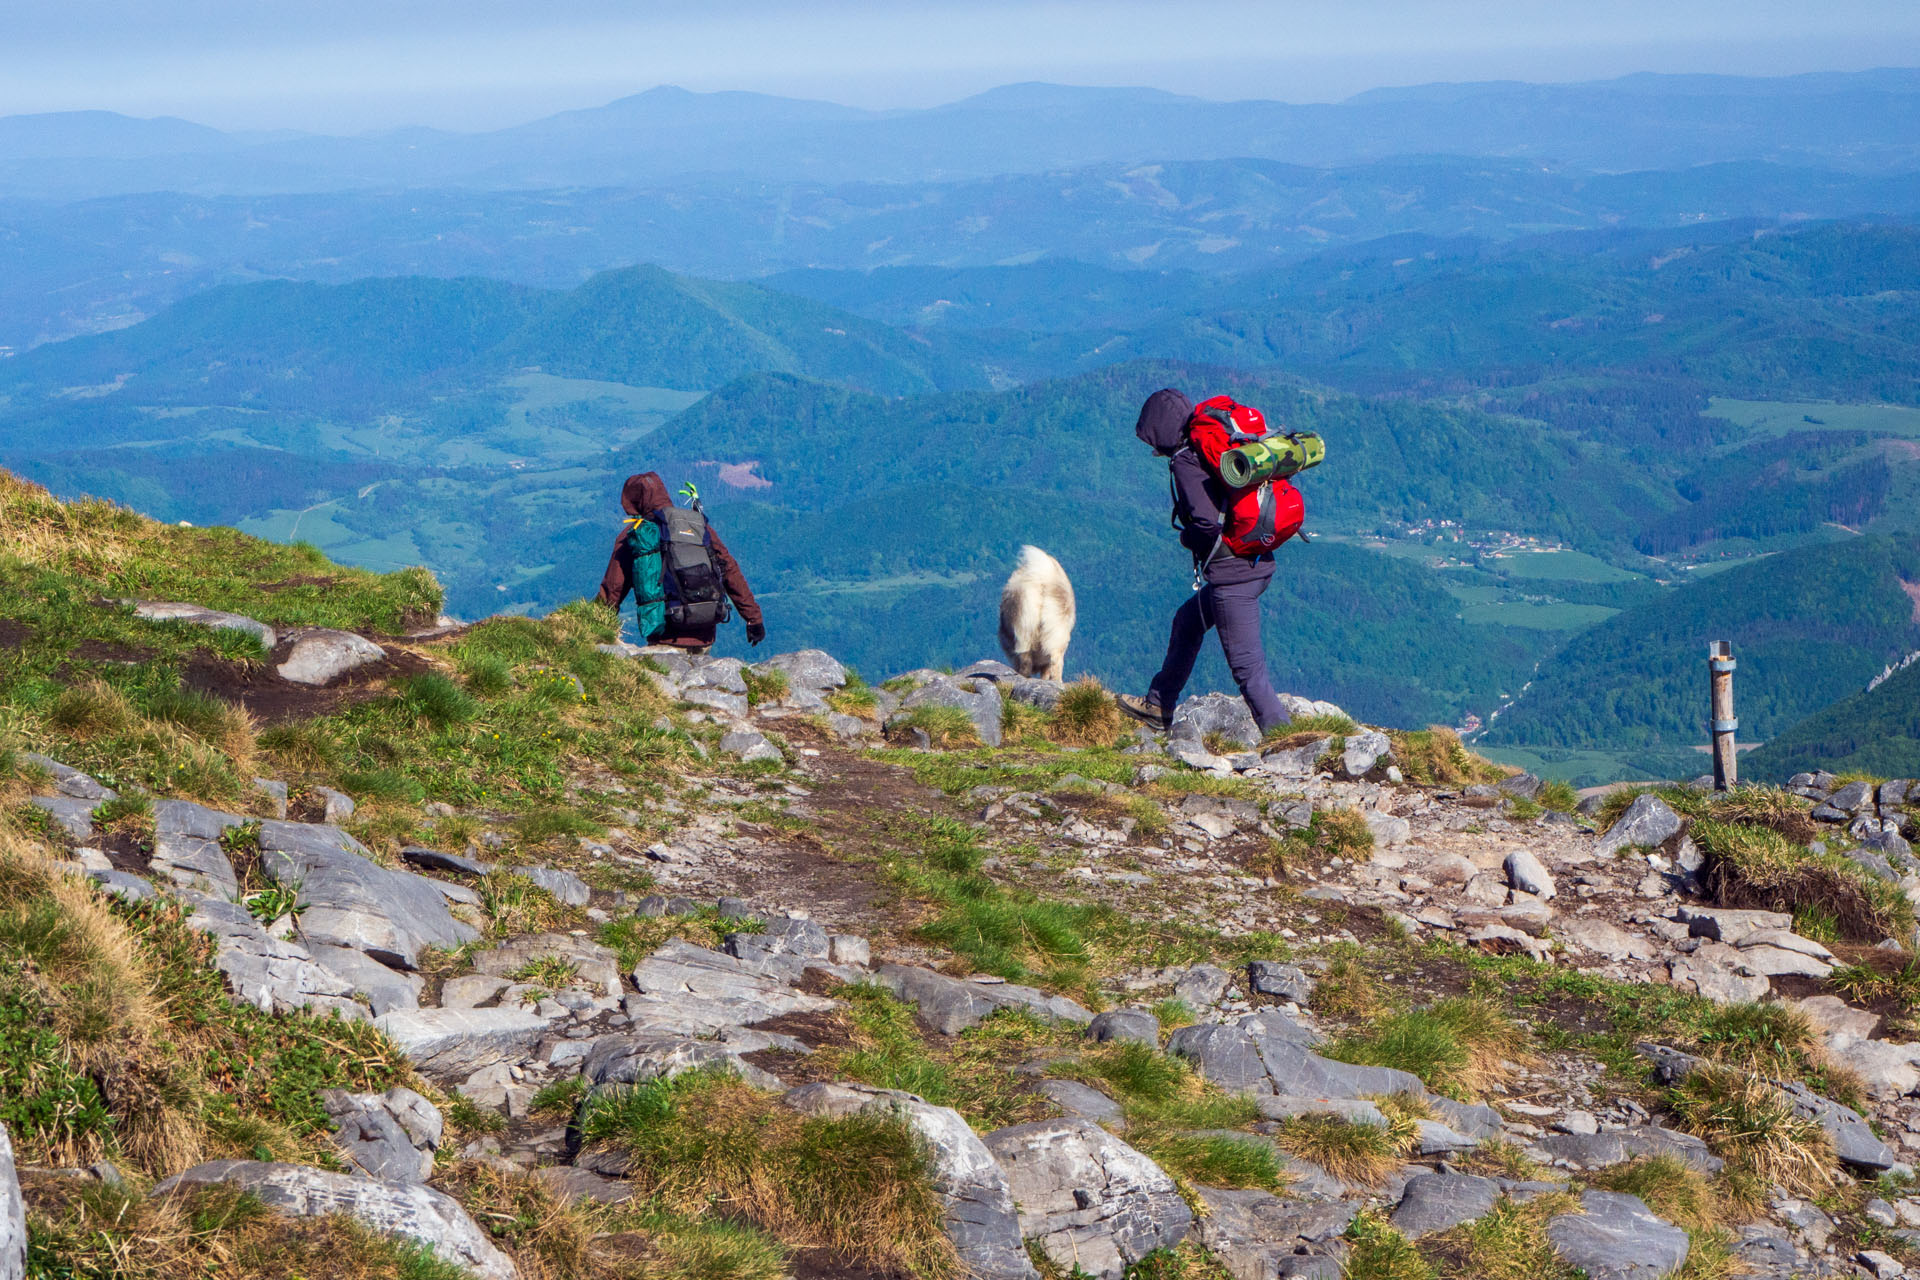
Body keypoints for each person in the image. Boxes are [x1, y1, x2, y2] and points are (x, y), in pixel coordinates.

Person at [1116, 389, 1298, 735]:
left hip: (1233, 576)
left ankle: (1290, 743)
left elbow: (1204, 521)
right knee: (1187, 621)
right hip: (1256, 561)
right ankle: (1159, 704)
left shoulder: (1186, 459)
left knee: (1248, 671)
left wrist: (1189, 540)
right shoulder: (1212, 441)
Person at [596, 471, 765, 653]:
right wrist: (753, 618)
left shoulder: (638, 535)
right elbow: (730, 570)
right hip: (705, 634)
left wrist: (590, 624)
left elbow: (613, 588)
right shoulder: (697, 525)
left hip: (666, 639)